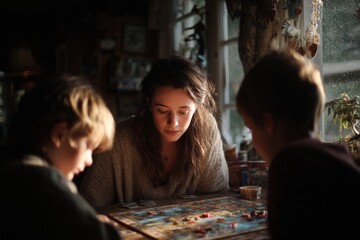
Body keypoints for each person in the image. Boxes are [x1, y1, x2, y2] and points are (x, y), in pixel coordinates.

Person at [236, 50, 360, 239]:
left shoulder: (289, 163)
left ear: (268, 124)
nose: (252, 140)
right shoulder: (338, 156)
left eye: (251, 128)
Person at [80, 55, 229, 206]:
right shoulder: (119, 139)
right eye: (163, 111)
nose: (173, 123)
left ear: (197, 106)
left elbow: (217, 198)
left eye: (183, 112)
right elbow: (90, 207)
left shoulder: (206, 129)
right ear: (149, 104)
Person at [0, 75, 121, 240]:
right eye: (88, 147)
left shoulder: (10, 168)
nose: (89, 160)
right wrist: (99, 225)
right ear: (60, 134)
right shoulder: (45, 184)